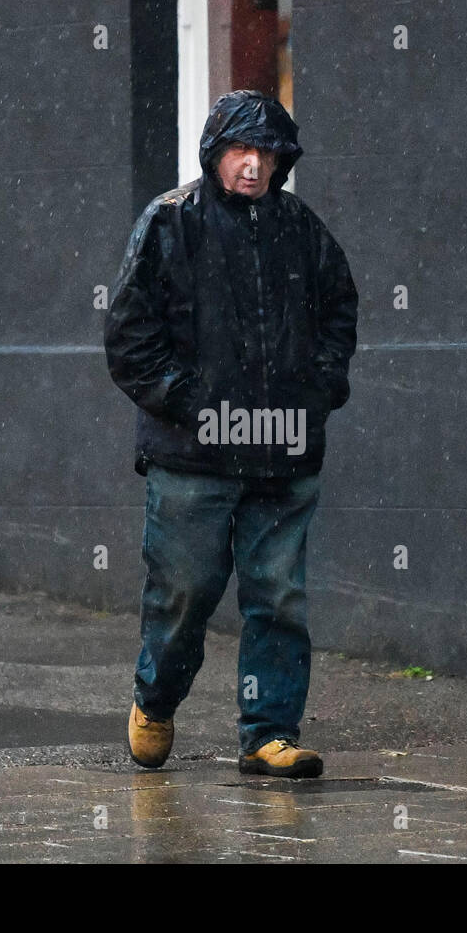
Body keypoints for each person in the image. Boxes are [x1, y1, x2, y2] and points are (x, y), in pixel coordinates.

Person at [105, 89, 358, 778]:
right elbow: (128, 336)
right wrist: (184, 402)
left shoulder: (301, 228)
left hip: (284, 454)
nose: (254, 166)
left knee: (278, 597)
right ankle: (155, 701)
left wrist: (321, 386)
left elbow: (340, 307)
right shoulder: (168, 225)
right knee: (182, 596)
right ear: (216, 154)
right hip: (191, 457)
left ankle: (269, 733)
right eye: (241, 151)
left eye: (266, 153)